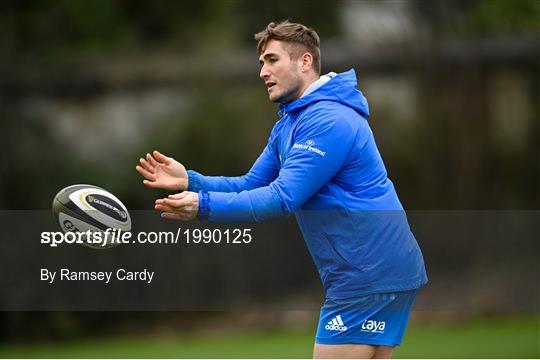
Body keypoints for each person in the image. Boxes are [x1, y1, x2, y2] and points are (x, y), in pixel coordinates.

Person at [136, 20, 427, 359]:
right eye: (261, 62)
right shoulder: (291, 122)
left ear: (305, 62)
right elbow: (250, 184)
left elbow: (282, 198)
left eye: (272, 60)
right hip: (378, 269)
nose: (263, 71)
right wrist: (191, 181)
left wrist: (202, 205)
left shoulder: (327, 120)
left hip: (365, 275)